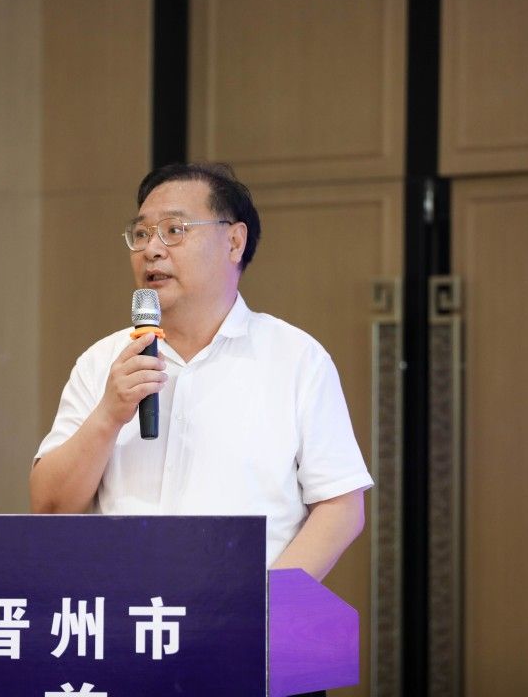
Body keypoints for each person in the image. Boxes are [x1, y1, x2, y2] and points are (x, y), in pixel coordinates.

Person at [30, 162, 372, 584]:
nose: (152, 250)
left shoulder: (296, 358)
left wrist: (265, 604)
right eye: (141, 234)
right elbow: (49, 507)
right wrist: (108, 415)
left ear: (234, 241)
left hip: (243, 613)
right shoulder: (103, 362)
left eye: (174, 230)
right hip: (125, 614)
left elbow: (341, 508)